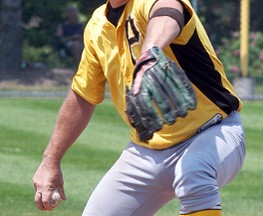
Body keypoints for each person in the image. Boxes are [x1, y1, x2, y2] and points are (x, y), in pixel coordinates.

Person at [33, 0, 246, 215]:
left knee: (193, 171)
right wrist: (50, 161)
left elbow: (168, 11)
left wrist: (149, 53)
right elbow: (83, 96)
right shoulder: (97, 25)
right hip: (145, 152)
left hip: (213, 132)